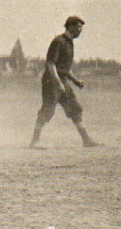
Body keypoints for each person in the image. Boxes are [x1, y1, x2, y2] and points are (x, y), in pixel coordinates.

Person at [31, 15, 100, 148]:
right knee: (48, 109)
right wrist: (58, 83)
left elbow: (65, 68)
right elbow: (51, 65)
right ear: (71, 26)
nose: (80, 31)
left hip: (62, 82)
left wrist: (76, 81)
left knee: (75, 108)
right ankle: (34, 142)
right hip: (52, 81)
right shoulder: (58, 41)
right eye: (79, 27)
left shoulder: (69, 43)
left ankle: (86, 140)